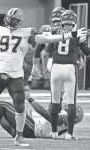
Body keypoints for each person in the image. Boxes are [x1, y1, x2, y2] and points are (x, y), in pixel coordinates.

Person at [0, 8, 87, 146]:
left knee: (20, 108)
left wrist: (68, 35)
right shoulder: (2, 30)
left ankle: (18, 137)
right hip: (0, 73)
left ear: (19, 22)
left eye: (12, 19)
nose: (10, 21)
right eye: (10, 18)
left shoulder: (25, 32)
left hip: (15, 76)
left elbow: (46, 38)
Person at [38, 10, 90, 140]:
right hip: (69, 69)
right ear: (74, 21)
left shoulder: (55, 32)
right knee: (71, 102)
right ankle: (69, 134)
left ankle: (54, 132)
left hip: (56, 68)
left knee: (55, 101)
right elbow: (86, 52)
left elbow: (48, 50)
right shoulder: (80, 33)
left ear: (62, 21)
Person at [0, 86, 83, 139]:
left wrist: (29, 99)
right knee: (2, 114)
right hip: (29, 129)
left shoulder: (63, 120)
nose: (69, 106)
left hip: (32, 128)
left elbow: (44, 112)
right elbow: (51, 111)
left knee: (2, 105)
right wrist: (59, 97)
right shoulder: (64, 122)